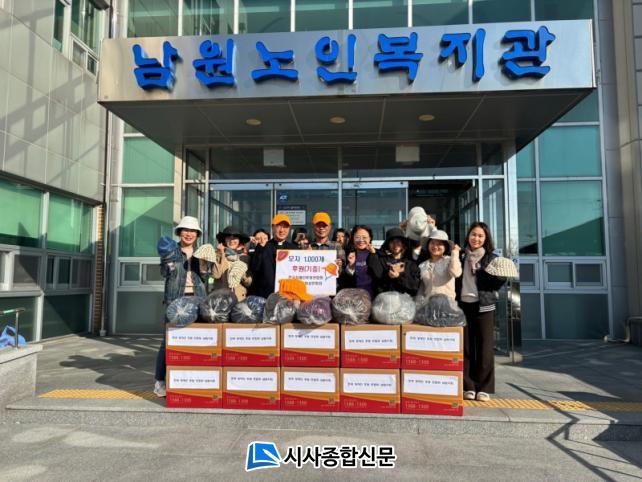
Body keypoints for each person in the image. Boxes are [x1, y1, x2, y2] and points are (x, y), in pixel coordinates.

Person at [154, 216, 206, 398]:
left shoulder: (202, 252)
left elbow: (207, 277)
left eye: (193, 231)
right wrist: (167, 262)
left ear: (197, 234)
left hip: (198, 299)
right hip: (176, 300)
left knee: (198, 340)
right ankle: (160, 381)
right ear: (179, 232)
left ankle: (193, 380)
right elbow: (164, 273)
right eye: (186, 230)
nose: (189, 234)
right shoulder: (171, 250)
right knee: (168, 342)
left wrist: (206, 265)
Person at [455, 222, 507, 403]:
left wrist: (483, 272)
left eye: (480, 236)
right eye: (473, 234)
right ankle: (468, 386)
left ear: (486, 239)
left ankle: (484, 388)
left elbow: (497, 283)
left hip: (484, 306)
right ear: (468, 236)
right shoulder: (460, 255)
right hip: (463, 305)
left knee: (485, 348)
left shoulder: (491, 258)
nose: (476, 238)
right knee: (466, 347)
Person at [248, 214, 297, 298]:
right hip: (266, 296)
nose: (282, 230)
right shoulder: (264, 246)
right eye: (279, 226)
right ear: (273, 227)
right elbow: (254, 268)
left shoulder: (294, 249)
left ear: (289, 229)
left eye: (285, 227)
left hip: (288, 296)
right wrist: (260, 249)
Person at [368, 227, 420, 296]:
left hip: (406, 301)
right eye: (392, 242)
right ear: (388, 245)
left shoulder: (410, 263)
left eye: (398, 241)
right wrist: (388, 276)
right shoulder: (382, 260)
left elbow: (415, 286)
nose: (395, 245)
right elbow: (377, 278)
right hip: (386, 299)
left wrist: (399, 276)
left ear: (403, 244)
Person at [209, 226, 252, 301]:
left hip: (239, 298)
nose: (232, 240)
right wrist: (221, 254)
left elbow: (248, 283)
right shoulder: (216, 255)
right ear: (224, 240)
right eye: (228, 237)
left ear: (239, 240)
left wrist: (242, 274)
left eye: (235, 238)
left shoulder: (245, 258)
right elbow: (216, 274)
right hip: (220, 299)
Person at [417, 230, 461, 300]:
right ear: (428, 244)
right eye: (432, 243)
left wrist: (455, 253)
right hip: (428, 304)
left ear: (445, 246)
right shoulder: (423, 265)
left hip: (447, 304)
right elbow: (422, 288)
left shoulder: (449, 260)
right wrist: (418, 302)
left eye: (439, 244)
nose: (435, 246)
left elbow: (456, 273)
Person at [338, 225, 377, 298]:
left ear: (370, 238)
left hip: (373, 297)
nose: (361, 240)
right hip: (353, 298)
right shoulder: (346, 254)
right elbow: (341, 282)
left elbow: (379, 275)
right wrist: (350, 267)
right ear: (353, 238)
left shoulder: (377, 253)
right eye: (357, 237)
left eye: (364, 237)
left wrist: (374, 255)